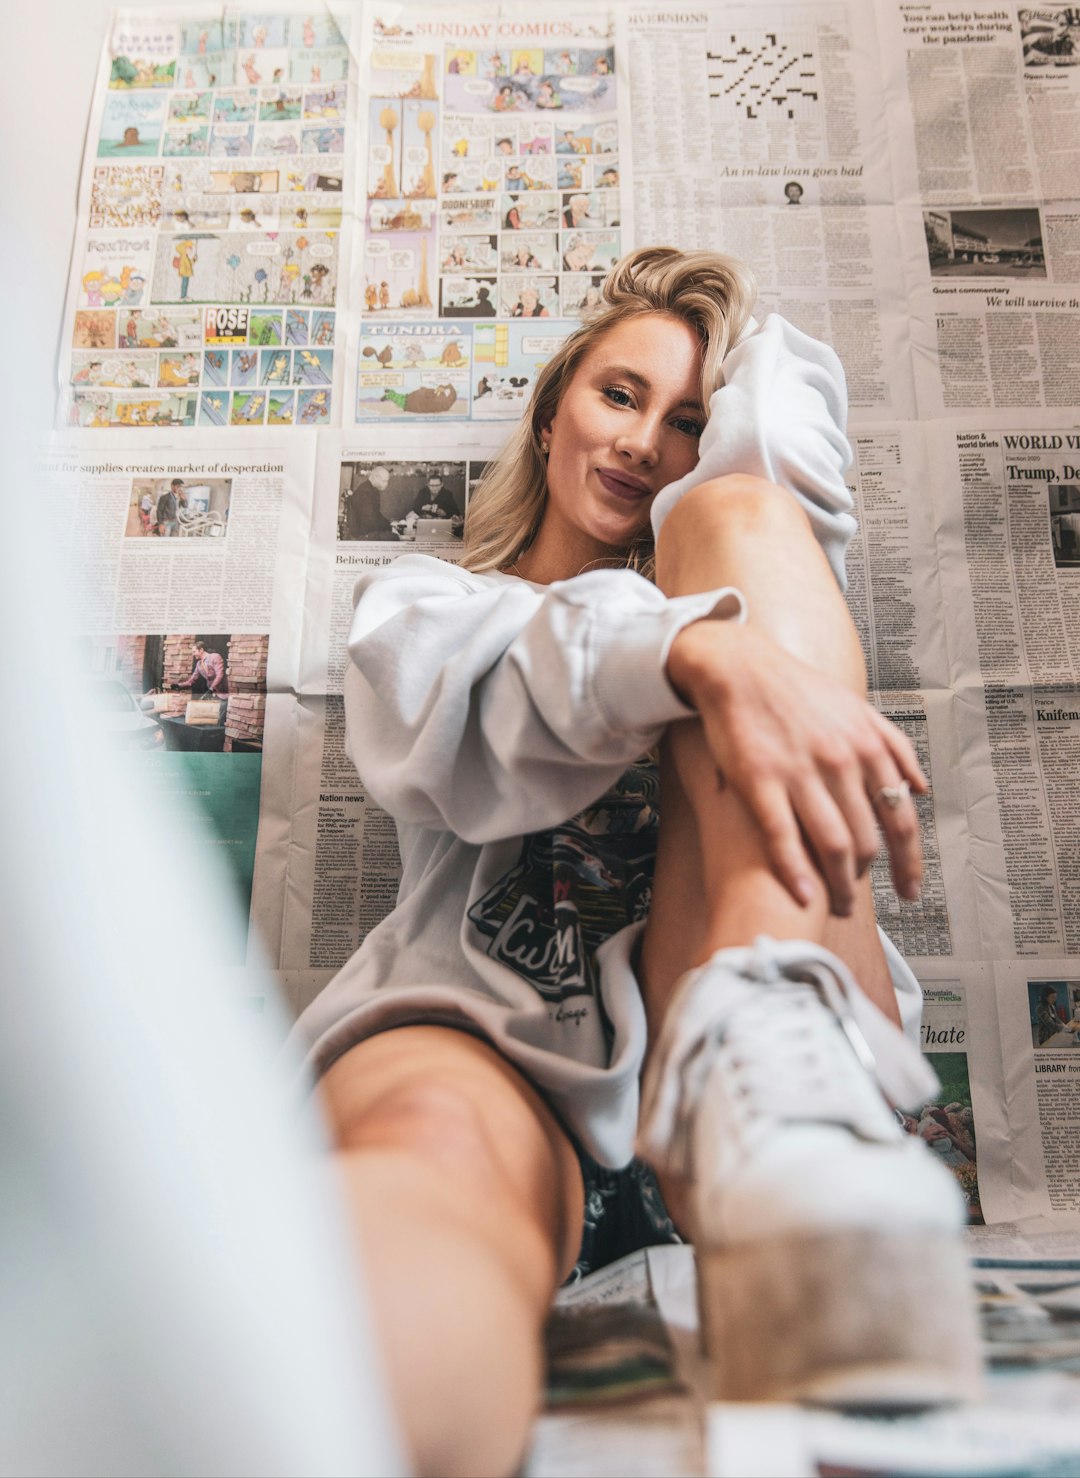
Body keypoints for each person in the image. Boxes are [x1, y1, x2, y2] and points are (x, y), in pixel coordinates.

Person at [291, 247, 979, 1477]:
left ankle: (779, 1077)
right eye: (619, 395)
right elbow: (479, 707)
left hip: (762, 1064)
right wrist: (697, 657)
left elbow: (772, 481)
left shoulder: (740, 545)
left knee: (748, 522)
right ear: (554, 404)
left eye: (691, 420)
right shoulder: (432, 603)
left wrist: (735, 363)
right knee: (419, 1161)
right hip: (496, 1043)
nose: (645, 444)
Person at [343, 464, 393, 541]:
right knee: (395, 538)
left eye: (387, 481)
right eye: (384, 481)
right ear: (374, 478)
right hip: (362, 535)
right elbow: (370, 522)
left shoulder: (372, 489)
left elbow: (376, 515)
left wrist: (390, 524)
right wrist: (389, 528)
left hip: (367, 531)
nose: (386, 484)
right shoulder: (365, 493)